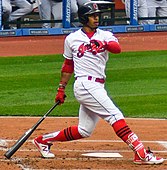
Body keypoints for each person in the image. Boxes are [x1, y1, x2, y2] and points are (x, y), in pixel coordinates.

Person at [33, 2, 164, 165]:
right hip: (85, 85)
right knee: (115, 116)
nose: (97, 18)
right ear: (83, 18)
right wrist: (61, 89)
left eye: (97, 15)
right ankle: (141, 153)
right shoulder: (72, 39)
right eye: (93, 16)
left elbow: (117, 48)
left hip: (97, 86)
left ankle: (42, 140)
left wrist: (104, 44)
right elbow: (68, 65)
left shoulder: (105, 35)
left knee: (84, 130)